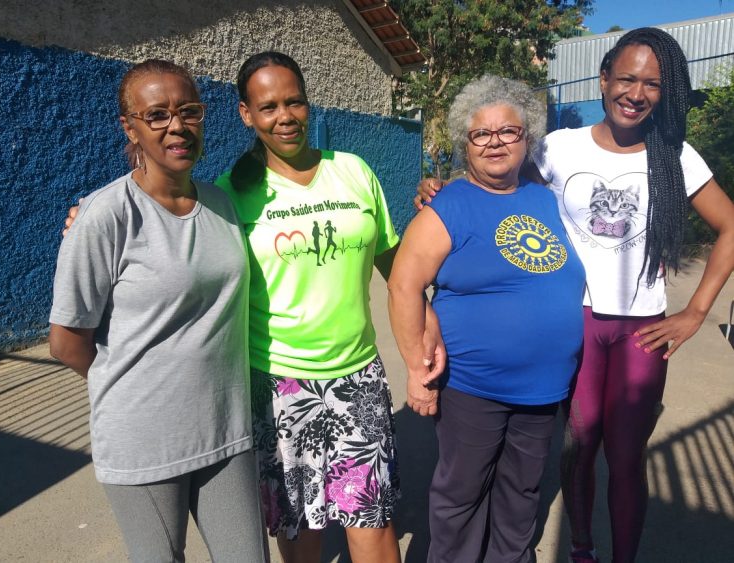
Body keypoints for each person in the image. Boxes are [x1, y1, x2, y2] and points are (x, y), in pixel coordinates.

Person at [416, 28, 734, 563]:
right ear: (603, 79)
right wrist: (442, 187)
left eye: (652, 84)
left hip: (641, 330)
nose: (636, 93)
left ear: (665, 91)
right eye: (626, 78)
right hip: (576, 322)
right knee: (579, 448)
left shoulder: (676, 156)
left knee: (626, 458)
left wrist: (696, 311)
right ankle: (581, 550)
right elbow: (496, 178)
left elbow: (730, 225)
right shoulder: (560, 147)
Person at [214, 51, 442, 563]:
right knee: (300, 529)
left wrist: (428, 330)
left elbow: (396, 269)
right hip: (277, 385)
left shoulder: (353, 171)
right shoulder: (231, 195)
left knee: (372, 522)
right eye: (268, 106)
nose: (285, 116)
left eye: (294, 102)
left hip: (358, 376)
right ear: (247, 114)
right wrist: (92, 217)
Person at [49, 60, 266, 562]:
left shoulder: (222, 204)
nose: (177, 126)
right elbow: (66, 342)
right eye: (157, 115)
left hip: (225, 428)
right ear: (130, 127)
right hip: (145, 439)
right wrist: (136, 385)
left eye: (188, 111)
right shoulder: (106, 215)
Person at [390, 74, 586, 563]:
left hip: (543, 388)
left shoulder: (545, 199)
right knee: (462, 494)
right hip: (473, 385)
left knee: (522, 492)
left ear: (526, 138)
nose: (495, 142)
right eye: (481, 133)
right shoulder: (449, 205)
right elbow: (403, 286)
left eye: (508, 131)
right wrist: (416, 370)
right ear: (466, 142)